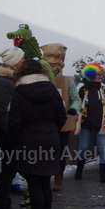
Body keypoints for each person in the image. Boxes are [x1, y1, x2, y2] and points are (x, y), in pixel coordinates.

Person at [9, 58, 67, 209]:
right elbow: (61, 116)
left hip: (29, 139)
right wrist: (51, 129)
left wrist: (15, 139)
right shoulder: (51, 89)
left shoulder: (20, 91)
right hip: (50, 138)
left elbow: (14, 121)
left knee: (34, 183)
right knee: (45, 182)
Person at [0, 46, 25, 209]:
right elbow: (2, 113)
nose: (23, 62)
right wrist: (13, 135)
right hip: (8, 136)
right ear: (15, 62)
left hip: (9, 134)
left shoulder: (5, 81)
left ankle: (4, 208)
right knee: (7, 172)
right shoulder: (2, 83)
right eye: (21, 59)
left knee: (9, 172)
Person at [40, 43, 80, 192]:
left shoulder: (67, 80)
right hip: (45, 122)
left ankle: (58, 178)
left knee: (60, 151)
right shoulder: (40, 78)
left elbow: (76, 98)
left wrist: (73, 109)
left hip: (62, 123)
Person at [75, 63, 105, 183]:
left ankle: (103, 173)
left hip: (101, 122)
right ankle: (79, 168)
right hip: (86, 122)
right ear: (90, 75)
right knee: (84, 147)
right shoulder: (83, 89)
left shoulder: (103, 88)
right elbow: (77, 103)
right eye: (96, 74)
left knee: (102, 147)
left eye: (99, 74)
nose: (99, 76)